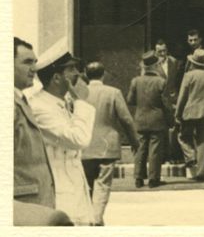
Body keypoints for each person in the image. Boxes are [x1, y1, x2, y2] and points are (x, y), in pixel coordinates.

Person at [27, 38, 97, 226]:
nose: (78, 74)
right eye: (71, 69)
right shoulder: (38, 108)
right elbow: (78, 139)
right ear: (57, 77)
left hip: (76, 194)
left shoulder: (61, 103)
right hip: (59, 198)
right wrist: (81, 101)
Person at [13, 37, 73, 226]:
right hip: (21, 207)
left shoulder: (20, 100)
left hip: (34, 203)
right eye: (27, 62)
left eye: (35, 62)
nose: (34, 69)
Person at [81, 61, 138, 226]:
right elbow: (126, 120)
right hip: (107, 146)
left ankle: (89, 217)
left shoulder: (78, 94)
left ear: (85, 74)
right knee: (103, 184)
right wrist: (134, 141)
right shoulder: (113, 93)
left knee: (87, 184)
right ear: (103, 74)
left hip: (83, 145)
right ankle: (96, 219)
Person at [175, 49, 204, 182]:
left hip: (190, 112)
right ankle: (201, 173)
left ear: (193, 62)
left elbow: (182, 97)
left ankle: (191, 157)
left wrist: (178, 113)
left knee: (183, 136)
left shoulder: (189, 76)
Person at [127, 51, 172, 188]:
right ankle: (153, 179)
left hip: (140, 119)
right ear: (156, 66)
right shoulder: (161, 82)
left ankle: (138, 178)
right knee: (155, 150)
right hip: (157, 120)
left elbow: (130, 100)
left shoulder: (135, 81)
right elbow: (166, 104)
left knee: (140, 149)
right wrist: (170, 118)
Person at [154, 39, 183, 163]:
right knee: (161, 129)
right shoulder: (152, 64)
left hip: (172, 98)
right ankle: (162, 156)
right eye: (159, 51)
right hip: (159, 99)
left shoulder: (174, 61)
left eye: (164, 51)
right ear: (155, 52)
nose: (162, 54)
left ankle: (173, 155)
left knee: (173, 128)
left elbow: (178, 80)